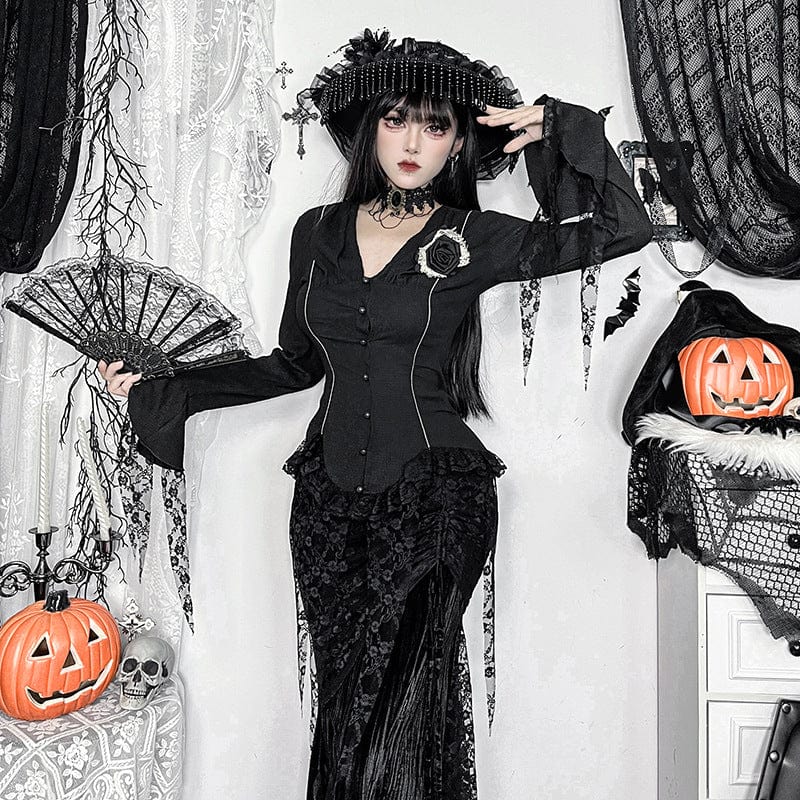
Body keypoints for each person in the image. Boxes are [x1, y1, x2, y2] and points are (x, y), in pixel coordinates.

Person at [100, 29, 651, 800]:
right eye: (397, 119)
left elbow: (625, 228)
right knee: (342, 706)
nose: (414, 142)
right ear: (368, 127)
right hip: (326, 505)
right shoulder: (316, 232)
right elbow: (294, 364)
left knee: (401, 709)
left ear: (459, 141)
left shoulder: (474, 236)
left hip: (437, 500)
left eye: (436, 125)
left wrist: (557, 126)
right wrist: (170, 383)